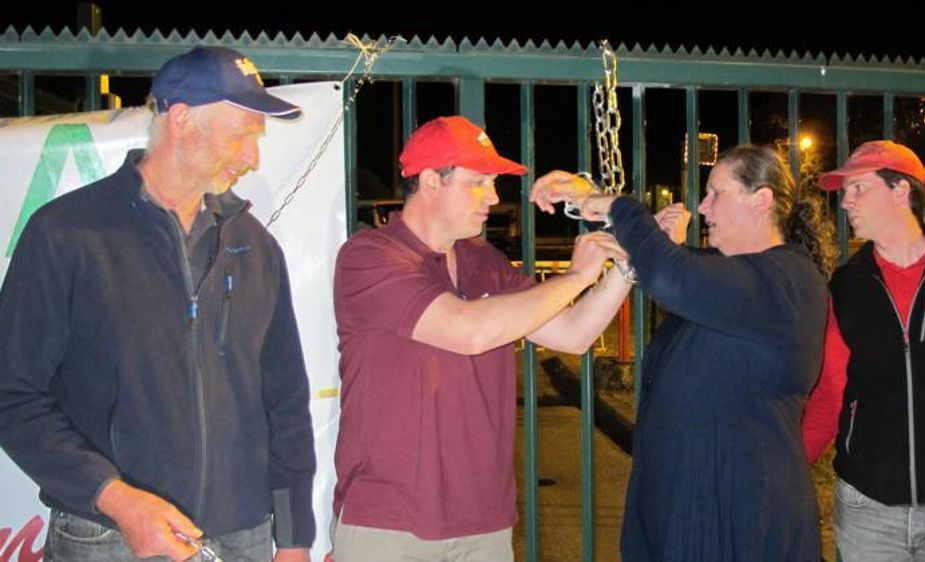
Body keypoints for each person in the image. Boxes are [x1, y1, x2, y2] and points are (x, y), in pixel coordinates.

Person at [0, 46, 315, 562]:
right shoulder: (68, 233)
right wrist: (115, 499)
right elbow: (12, 393)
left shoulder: (255, 247)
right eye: (239, 136)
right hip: (109, 536)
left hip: (244, 536)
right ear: (182, 121)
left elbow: (284, 401)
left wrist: (294, 535)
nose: (252, 158)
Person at [330, 115, 655, 562]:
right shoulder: (370, 256)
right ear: (429, 181)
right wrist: (577, 276)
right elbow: (470, 330)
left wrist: (625, 263)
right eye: (479, 183)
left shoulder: (485, 260)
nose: (494, 197)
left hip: (483, 521)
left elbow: (574, 334)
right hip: (388, 523)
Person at [534, 144, 837, 561]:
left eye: (717, 193)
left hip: (741, 513)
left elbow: (670, 276)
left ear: (761, 200)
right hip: (690, 504)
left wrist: (619, 205)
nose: (703, 206)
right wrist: (584, 193)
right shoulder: (732, 276)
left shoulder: (787, 280)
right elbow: (658, 263)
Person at [802, 140, 925, 561]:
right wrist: (784, 470)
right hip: (868, 513)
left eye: (858, 189)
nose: (844, 203)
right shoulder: (846, 286)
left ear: (901, 191)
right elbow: (829, 395)